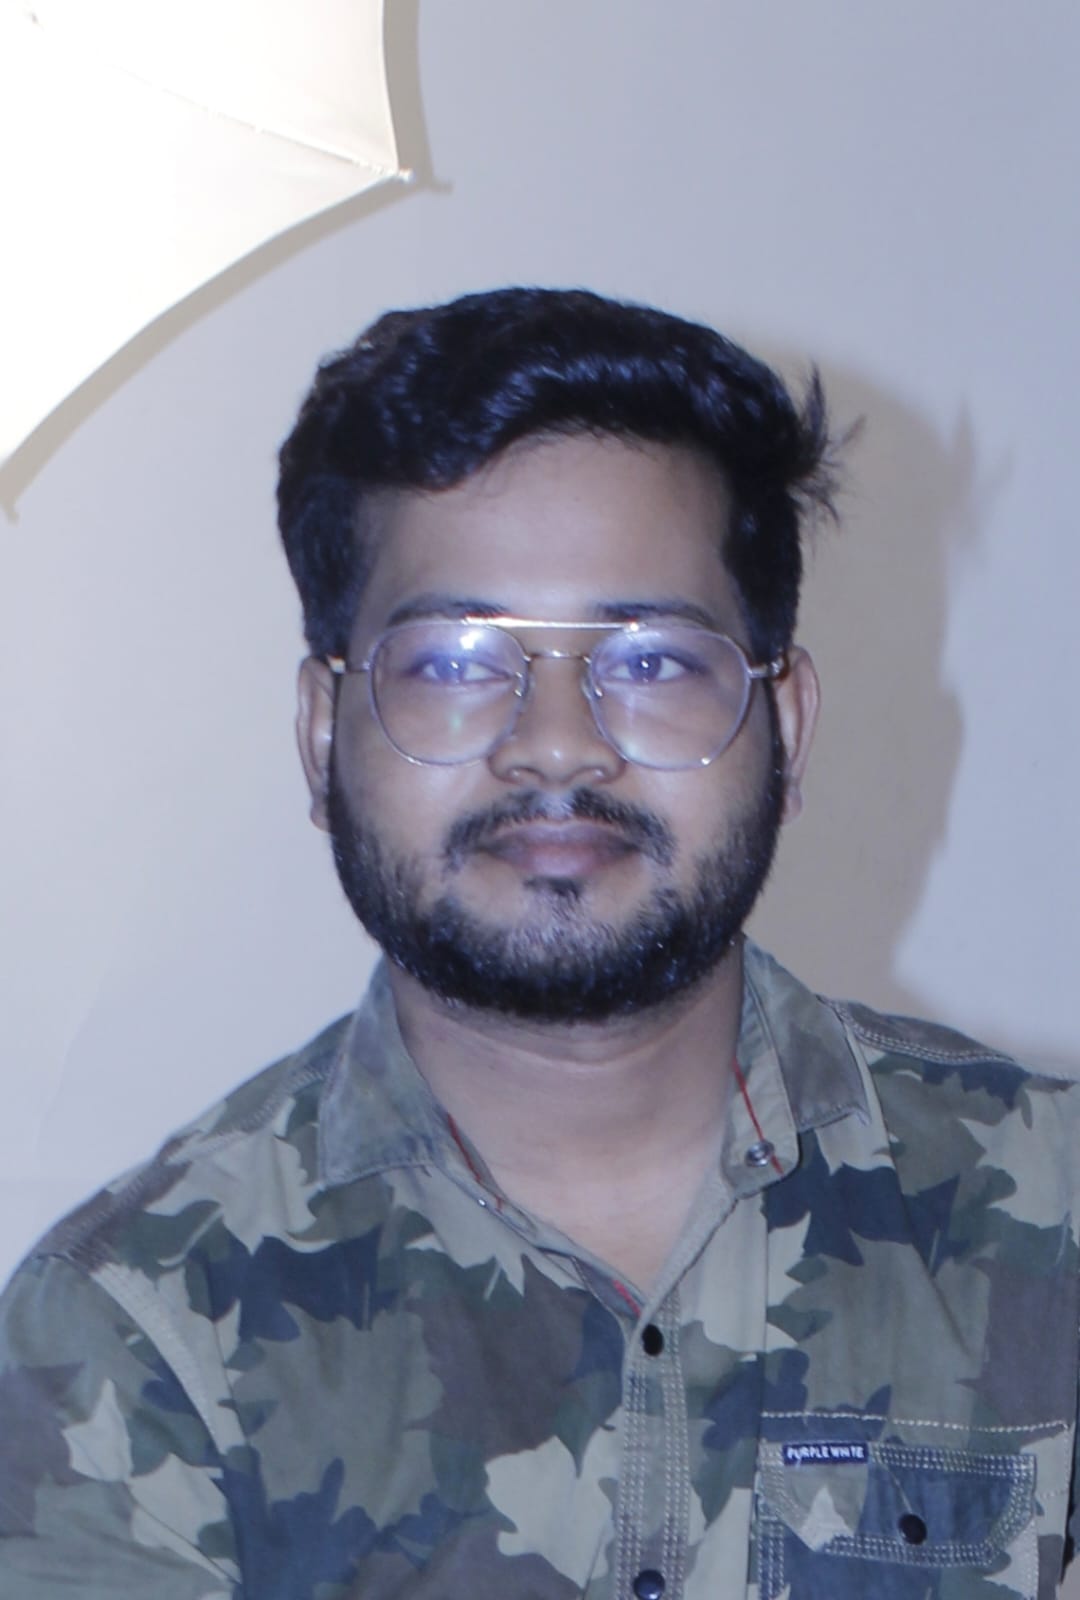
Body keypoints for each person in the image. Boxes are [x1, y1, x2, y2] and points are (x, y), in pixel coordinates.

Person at [1, 287, 1077, 1600]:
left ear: (786, 727)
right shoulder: (130, 1339)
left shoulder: (1053, 1214)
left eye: (651, 660)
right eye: (455, 661)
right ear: (321, 735)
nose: (557, 745)